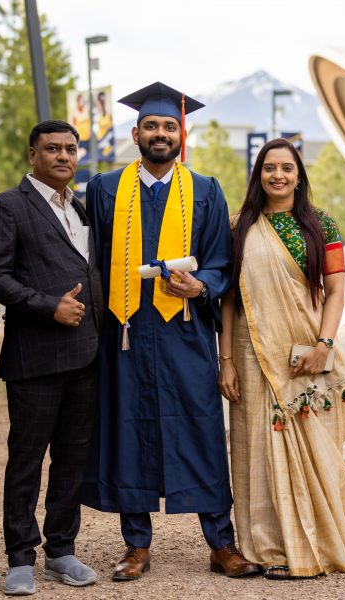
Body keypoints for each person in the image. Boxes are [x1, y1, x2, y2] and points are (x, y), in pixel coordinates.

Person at [82, 81, 259, 581]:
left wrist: (199, 285)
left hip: (184, 334)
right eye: (151, 126)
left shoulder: (205, 190)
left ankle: (221, 543)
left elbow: (221, 263)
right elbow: (90, 259)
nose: (160, 134)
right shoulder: (105, 189)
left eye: (169, 126)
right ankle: (136, 545)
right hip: (125, 332)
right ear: (135, 132)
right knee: (128, 429)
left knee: (200, 429)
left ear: (182, 132)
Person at [218, 137, 345, 580]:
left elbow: (335, 291)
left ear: (299, 175)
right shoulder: (239, 226)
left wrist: (324, 346)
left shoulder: (322, 226)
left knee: (315, 450)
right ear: (258, 175)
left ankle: (315, 542)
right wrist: (226, 359)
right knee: (256, 448)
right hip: (249, 351)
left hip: (306, 353)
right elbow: (227, 299)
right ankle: (269, 547)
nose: (278, 175)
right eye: (269, 168)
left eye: (287, 168)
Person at [0, 120, 103, 595]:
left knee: (73, 459)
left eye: (71, 149)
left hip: (88, 355)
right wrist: (48, 305)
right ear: (33, 154)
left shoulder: (83, 209)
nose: (63, 157)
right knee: (26, 458)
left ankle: (61, 552)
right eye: (52, 149)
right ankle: (19, 558)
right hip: (35, 356)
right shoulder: (7, 207)